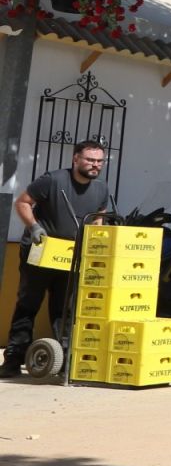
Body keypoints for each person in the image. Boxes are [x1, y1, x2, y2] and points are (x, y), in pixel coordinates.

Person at [4, 139, 111, 376]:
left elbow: (98, 218)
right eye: (90, 160)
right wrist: (33, 227)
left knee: (65, 307)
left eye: (99, 161)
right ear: (76, 159)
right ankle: (13, 359)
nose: (95, 165)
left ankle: (64, 361)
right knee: (28, 303)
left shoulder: (101, 188)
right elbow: (22, 202)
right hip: (41, 250)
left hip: (71, 256)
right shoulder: (53, 180)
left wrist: (94, 242)